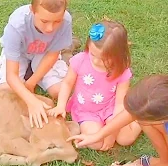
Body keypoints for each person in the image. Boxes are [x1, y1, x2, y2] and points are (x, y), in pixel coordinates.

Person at [48, 20, 141, 151]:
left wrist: (112, 133)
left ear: (118, 55)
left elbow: (120, 104)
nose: (96, 61)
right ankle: (104, 128)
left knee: (125, 139)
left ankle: (138, 121)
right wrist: (61, 105)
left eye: (103, 59)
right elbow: (67, 83)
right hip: (86, 111)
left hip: (111, 108)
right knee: (95, 143)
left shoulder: (122, 71)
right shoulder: (80, 60)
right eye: (92, 54)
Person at [0, 0, 72, 129]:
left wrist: (31, 83)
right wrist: (32, 102)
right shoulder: (17, 24)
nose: (50, 28)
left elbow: (52, 55)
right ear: (32, 10)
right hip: (20, 53)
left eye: (57, 21)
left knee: (59, 91)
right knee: (7, 91)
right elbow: (11, 75)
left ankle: (65, 50)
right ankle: (30, 68)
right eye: (44, 21)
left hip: (46, 52)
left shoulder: (66, 20)